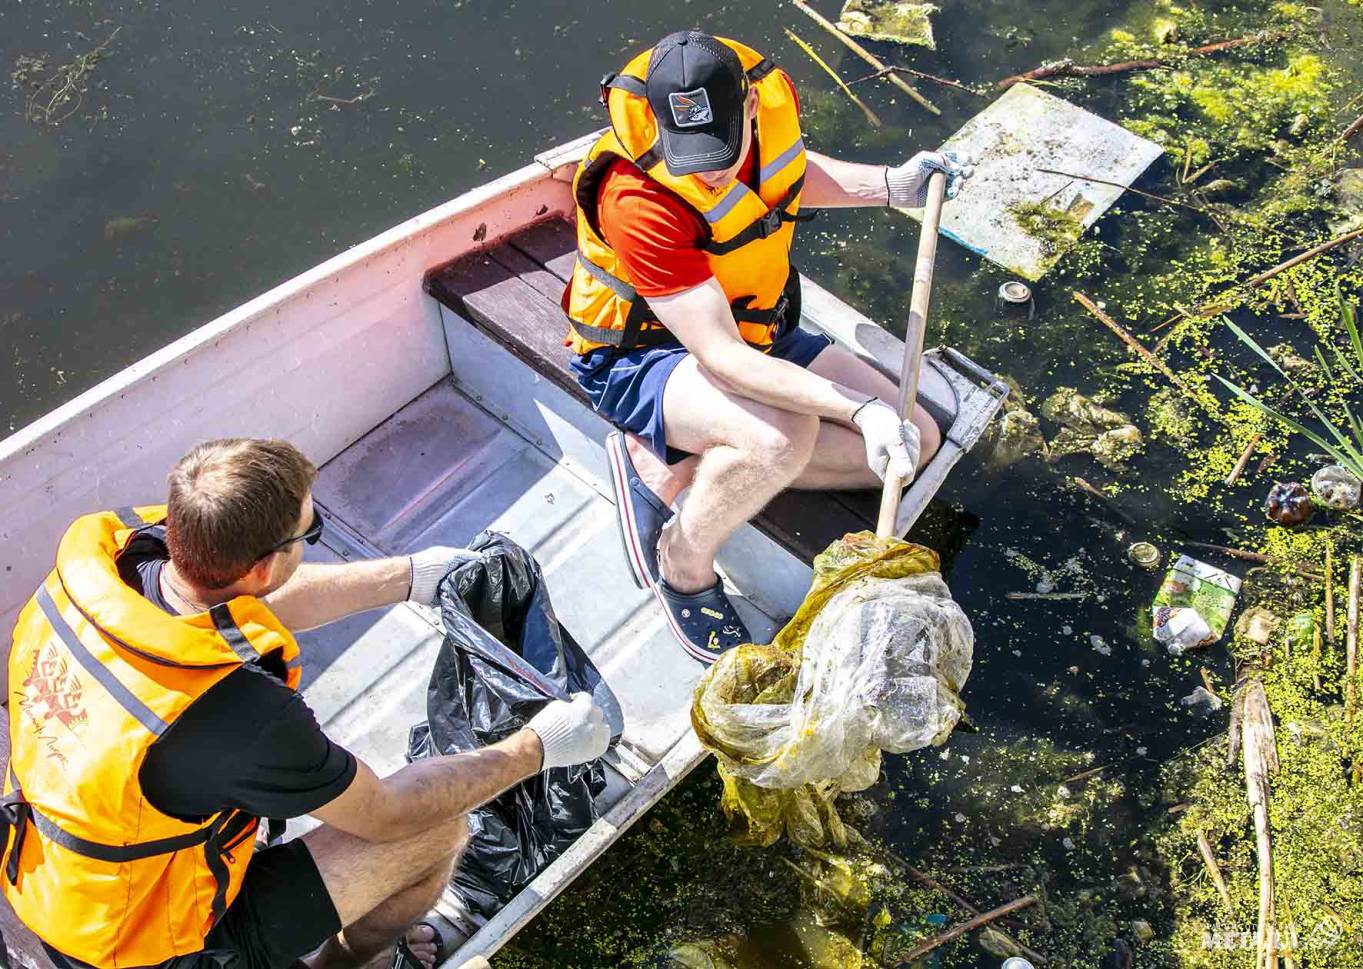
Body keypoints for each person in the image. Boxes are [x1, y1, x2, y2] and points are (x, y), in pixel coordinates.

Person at [2, 438, 610, 969]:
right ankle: (343, 965)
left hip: (58, 880)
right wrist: (539, 746)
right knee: (435, 831)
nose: (311, 545)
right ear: (268, 564)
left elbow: (238, 608)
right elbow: (388, 813)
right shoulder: (239, 715)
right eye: (309, 533)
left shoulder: (103, 574)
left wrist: (407, 577)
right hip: (145, 947)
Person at [563, 30, 972, 663]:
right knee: (779, 438)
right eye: (690, 154)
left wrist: (893, 186)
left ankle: (667, 464)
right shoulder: (637, 197)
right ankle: (682, 561)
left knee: (911, 443)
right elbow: (721, 358)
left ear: (751, 106)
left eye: (721, 149)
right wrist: (858, 410)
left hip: (760, 329)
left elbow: (785, 174)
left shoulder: (763, 117)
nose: (710, 169)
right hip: (644, 356)